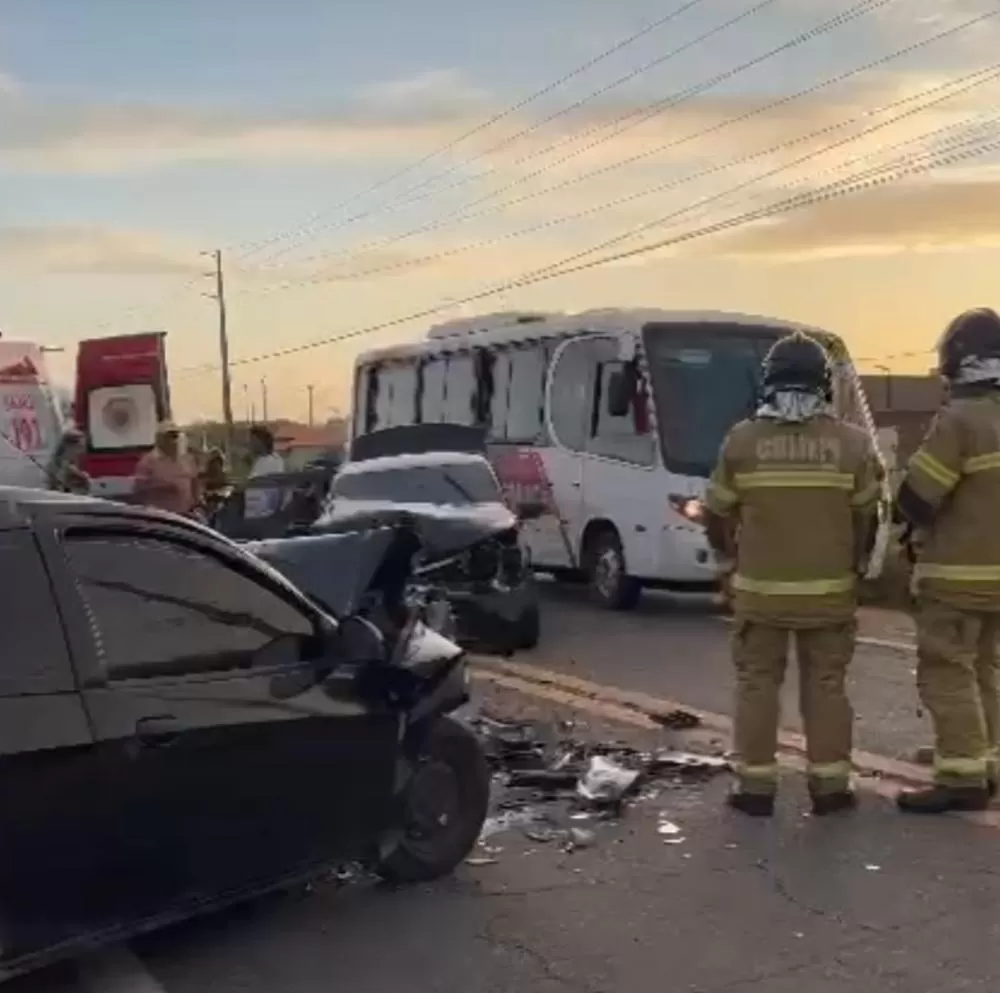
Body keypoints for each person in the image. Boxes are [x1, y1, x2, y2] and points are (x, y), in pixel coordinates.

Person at [703, 332, 882, 817]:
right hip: (830, 594)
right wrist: (857, 568)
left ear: (770, 381)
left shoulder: (742, 440)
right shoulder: (852, 444)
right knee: (826, 685)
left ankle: (755, 789)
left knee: (758, 684)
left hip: (759, 594)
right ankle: (831, 787)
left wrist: (727, 560)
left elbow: (716, 512)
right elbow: (867, 518)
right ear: (823, 383)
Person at [893, 307, 1000, 814]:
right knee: (984, 670)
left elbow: (918, 497)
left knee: (947, 671)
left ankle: (961, 776)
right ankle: (985, 761)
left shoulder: (960, 421)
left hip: (958, 577)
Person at [133, 420, 201, 516]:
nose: (173, 441)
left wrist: (196, 504)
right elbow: (138, 489)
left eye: (175, 436)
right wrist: (163, 486)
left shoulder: (187, 459)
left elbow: (194, 481)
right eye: (168, 437)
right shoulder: (148, 462)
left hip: (185, 514)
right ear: (159, 439)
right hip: (161, 516)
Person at [46, 428, 91, 494]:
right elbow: (59, 486)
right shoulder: (60, 462)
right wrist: (82, 476)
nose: (81, 451)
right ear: (70, 445)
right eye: (80, 446)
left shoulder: (69, 458)